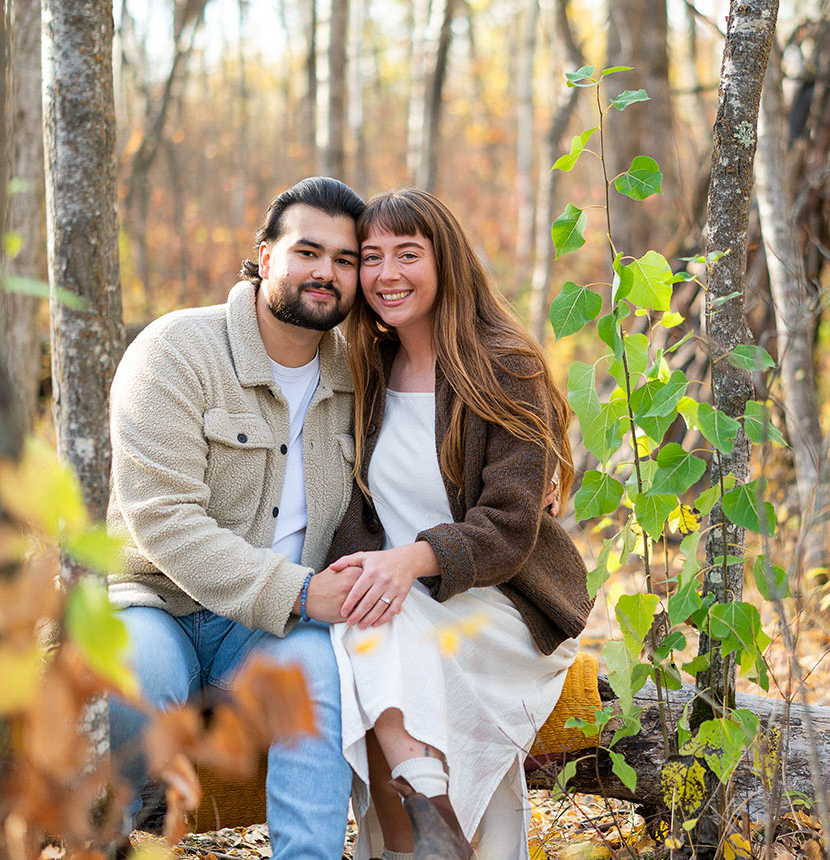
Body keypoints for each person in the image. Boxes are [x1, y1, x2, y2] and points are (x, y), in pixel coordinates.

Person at [324, 188, 594, 860]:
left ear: (446, 262)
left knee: (380, 624)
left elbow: (507, 527)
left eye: (407, 254)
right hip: (404, 605)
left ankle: (424, 820)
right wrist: (361, 572)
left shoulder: (504, 366)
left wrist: (407, 563)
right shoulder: (365, 372)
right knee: (367, 625)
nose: (387, 274)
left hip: (505, 604)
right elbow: (353, 508)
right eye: (372, 257)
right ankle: (431, 814)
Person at [106, 176, 367, 859]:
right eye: (308, 251)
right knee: (137, 676)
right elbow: (161, 519)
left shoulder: (359, 380)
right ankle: (129, 840)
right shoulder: (175, 352)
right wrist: (306, 592)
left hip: (271, 631)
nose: (325, 273)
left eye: (344, 260)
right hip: (156, 604)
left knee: (322, 672)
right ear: (264, 255)